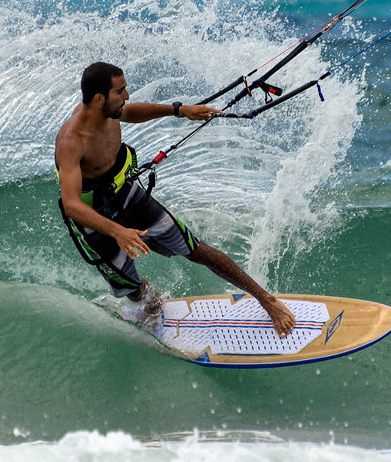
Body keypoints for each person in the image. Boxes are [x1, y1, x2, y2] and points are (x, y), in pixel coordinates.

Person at [54, 62, 295, 338]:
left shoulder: (111, 113)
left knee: (197, 249)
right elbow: (71, 204)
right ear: (99, 99)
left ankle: (267, 300)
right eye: (121, 91)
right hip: (94, 216)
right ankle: (153, 303)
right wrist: (117, 231)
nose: (127, 96)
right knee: (128, 285)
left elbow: (131, 111)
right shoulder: (72, 141)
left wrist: (181, 110)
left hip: (127, 195)